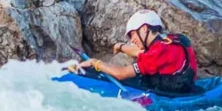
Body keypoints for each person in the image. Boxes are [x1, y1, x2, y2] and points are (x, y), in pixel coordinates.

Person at [68, 10, 198, 94]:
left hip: (171, 92)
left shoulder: (157, 52)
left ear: (144, 28)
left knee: (98, 73)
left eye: (133, 34)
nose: (132, 40)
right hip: (185, 86)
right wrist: (120, 46)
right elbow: (140, 52)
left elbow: (121, 74)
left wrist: (94, 62)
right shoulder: (173, 40)